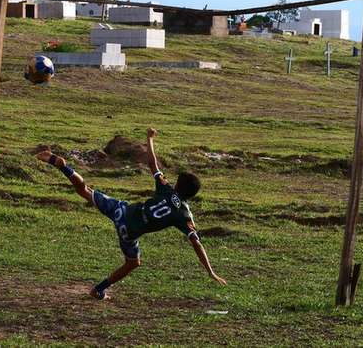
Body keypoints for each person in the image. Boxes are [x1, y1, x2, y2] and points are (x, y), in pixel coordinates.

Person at [36, 128, 227, 300]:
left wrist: (149, 139)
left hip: (122, 210)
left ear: (177, 185)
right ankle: (98, 290)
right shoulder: (184, 215)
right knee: (133, 262)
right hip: (128, 231)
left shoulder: (167, 188)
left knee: (85, 190)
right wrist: (210, 271)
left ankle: (63, 166)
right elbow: (196, 242)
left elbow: (153, 165)